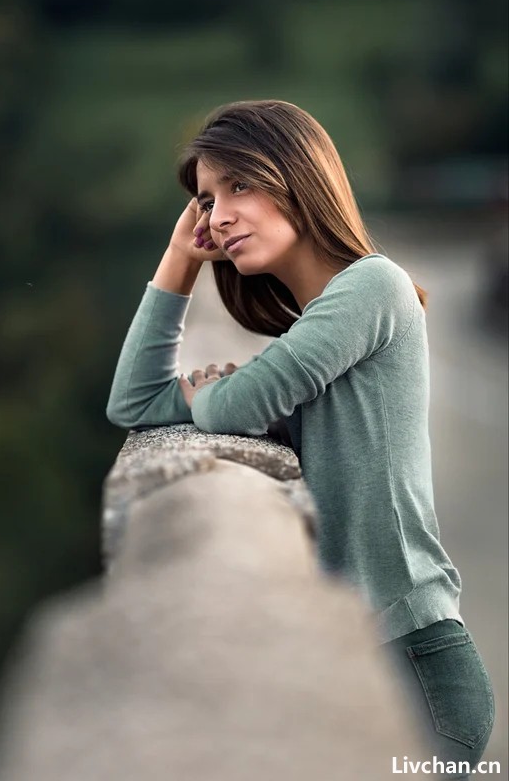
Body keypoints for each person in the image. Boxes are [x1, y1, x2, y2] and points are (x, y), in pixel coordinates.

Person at [106, 99, 495, 774]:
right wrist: (178, 259)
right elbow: (134, 402)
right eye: (204, 200)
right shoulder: (311, 335)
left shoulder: (374, 287)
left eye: (240, 185)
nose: (217, 215)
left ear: (298, 177)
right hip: (361, 653)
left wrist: (214, 394)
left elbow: (232, 406)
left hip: (420, 668)